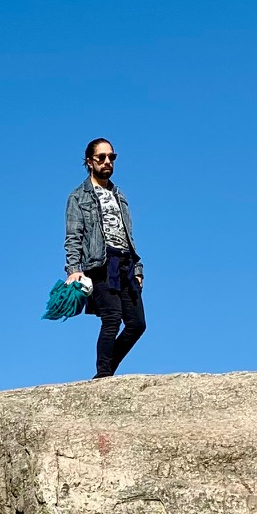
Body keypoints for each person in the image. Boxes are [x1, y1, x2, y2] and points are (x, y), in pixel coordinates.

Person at [65, 137, 145, 379]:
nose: (107, 161)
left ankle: (109, 368)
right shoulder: (78, 197)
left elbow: (127, 233)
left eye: (112, 157)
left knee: (137, 324)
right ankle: (103, 375)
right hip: (99, 264)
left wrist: (138, 268)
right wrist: (73, 269)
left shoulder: (119, 195)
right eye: (102, 157)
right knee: (112, 318)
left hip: (126, 264)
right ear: (90, 162)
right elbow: (73, 236)